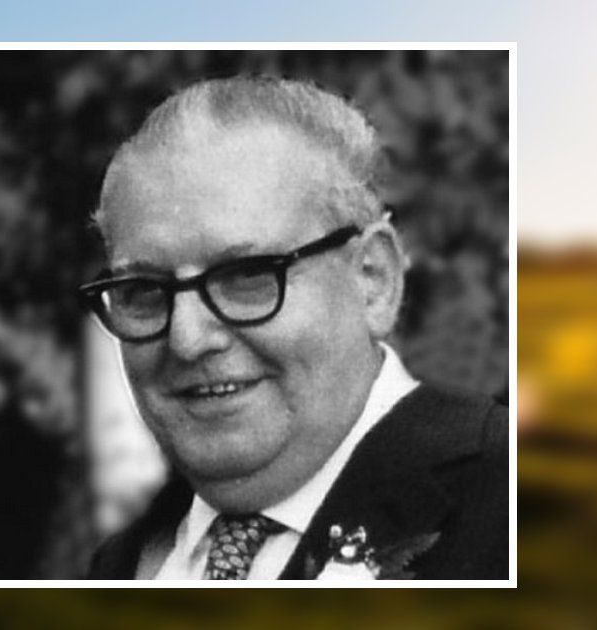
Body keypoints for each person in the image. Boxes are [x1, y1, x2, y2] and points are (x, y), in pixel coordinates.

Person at [80, 76, 507, 580]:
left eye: (247, 276)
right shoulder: (119, 566)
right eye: (143, 291)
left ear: (373, 279)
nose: (188, 339)